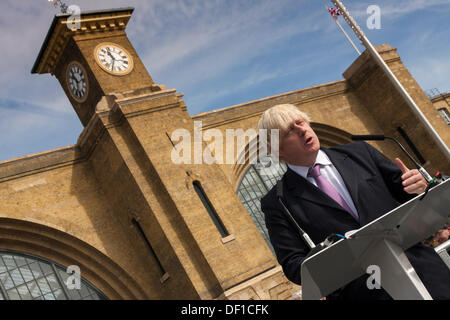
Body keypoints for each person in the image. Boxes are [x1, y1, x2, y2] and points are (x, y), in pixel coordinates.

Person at [259, 103, 450, 300]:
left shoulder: (361, 153)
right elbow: (293, 265)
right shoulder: (278, 201)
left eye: (301, 122)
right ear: (278, 151)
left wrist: (419, 187)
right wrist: (331, 256)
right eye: (290, 130)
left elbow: (414, 198)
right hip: (363, 293)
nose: (301, 129)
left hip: (426, 275)